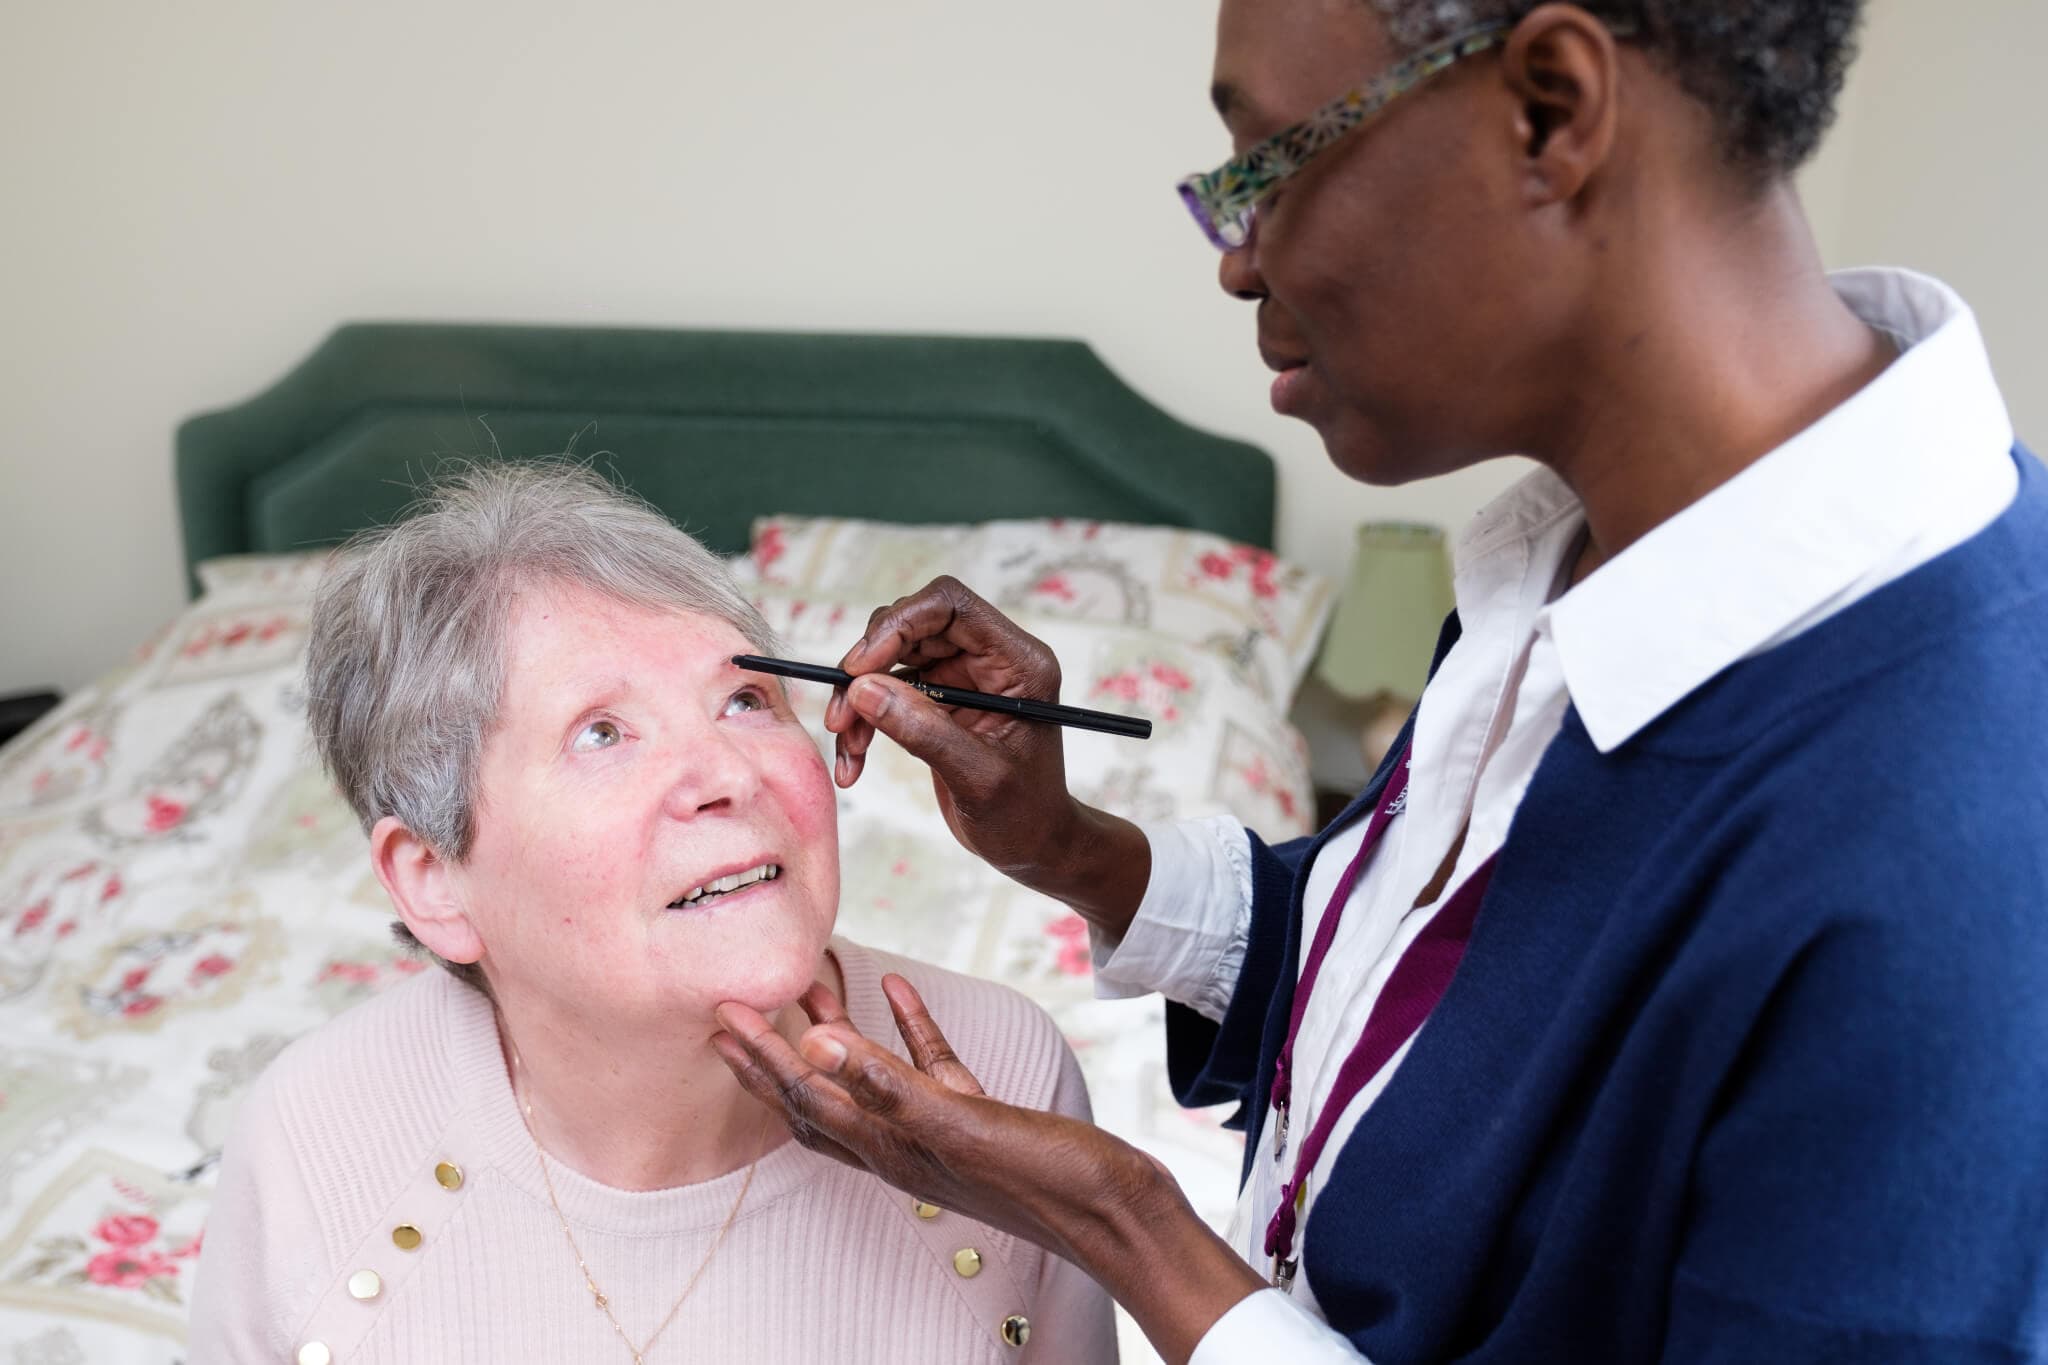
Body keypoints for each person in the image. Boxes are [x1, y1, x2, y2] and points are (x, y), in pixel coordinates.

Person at [708, 1, 2048, 1361]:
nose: (1238, 265)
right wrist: (1077, 850)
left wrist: (1126, 1226)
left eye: (1268, 166)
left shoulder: (1960, 846)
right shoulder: (1586, 563)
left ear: (1551, 111)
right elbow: (1428, 996)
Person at [187, 464, 1118, 1364]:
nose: (725, 773)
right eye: (604, 732)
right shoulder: (310, 1139)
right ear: (433, 878)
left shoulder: (1007, 1074)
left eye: (745, 699)